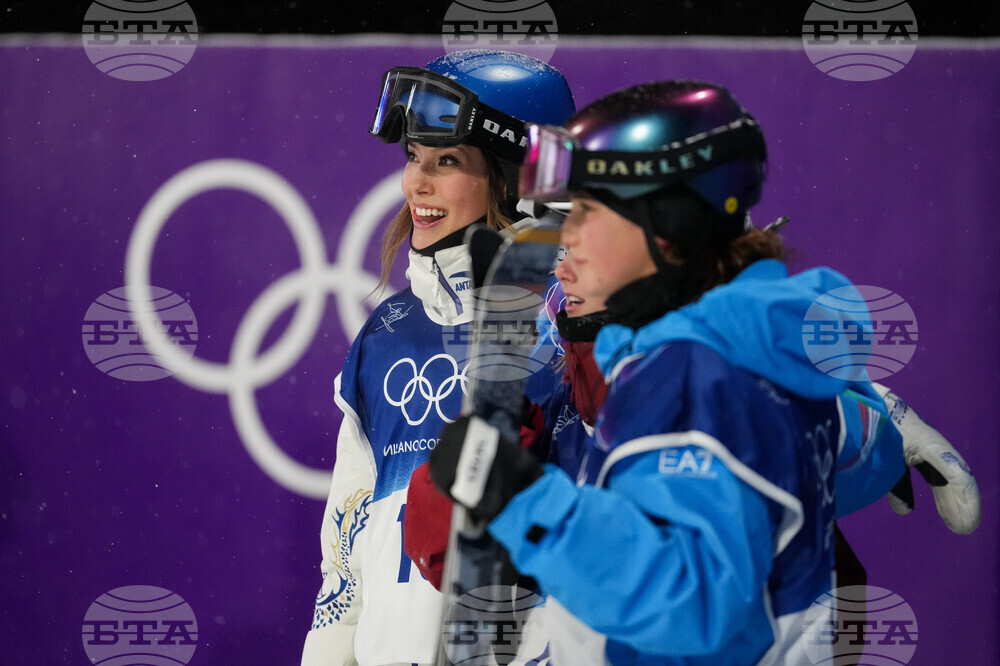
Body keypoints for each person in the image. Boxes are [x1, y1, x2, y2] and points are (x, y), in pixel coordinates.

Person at [426, 80, 979, 664]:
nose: (564, 250)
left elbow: (691, 605)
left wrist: (523, 499)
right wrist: (881, 428)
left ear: (669, 226)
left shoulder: (693, 378)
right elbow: (843, 453)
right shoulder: (758, 356)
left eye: (587, 214)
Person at [300, 50, 575, 666]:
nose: (415, 184)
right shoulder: (385, 334)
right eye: (413, 157)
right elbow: (343, 564)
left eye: (446, 161)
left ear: (520, 179)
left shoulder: (570, 325)